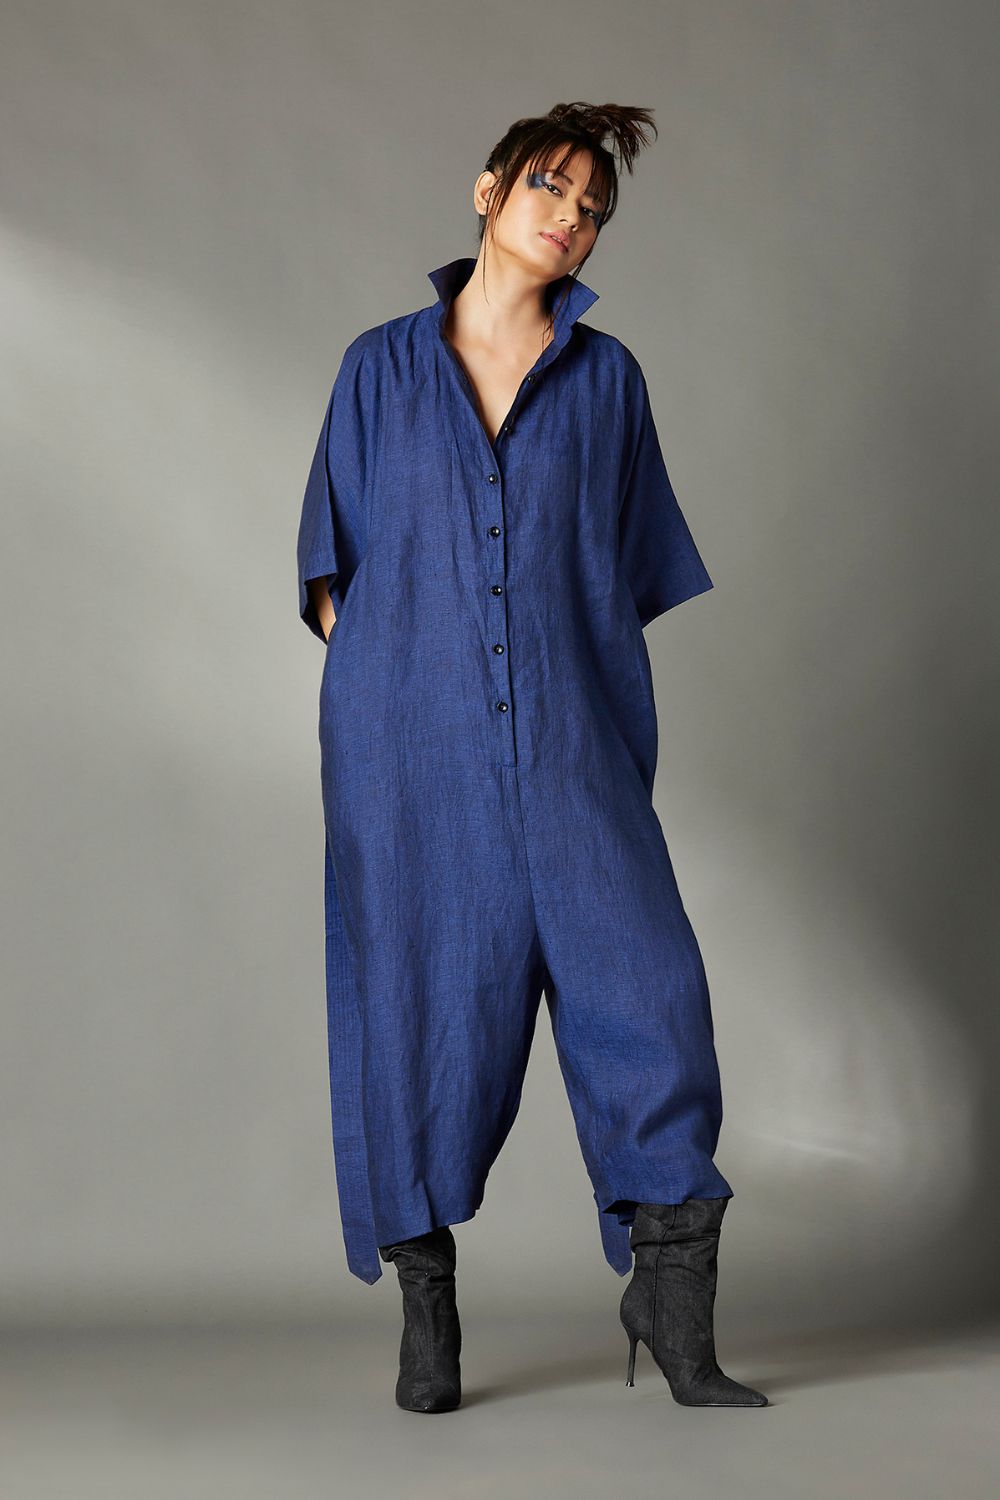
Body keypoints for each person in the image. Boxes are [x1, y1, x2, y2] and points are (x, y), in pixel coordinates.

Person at [296, 101, 768, 1414]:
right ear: (490, 190)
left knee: (651, 1001)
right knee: (422, 1018)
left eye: (593, 208)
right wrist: (406, 691)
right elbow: (333, 575)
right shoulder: (379, 371)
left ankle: (674, 1317)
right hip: (412, 761)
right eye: (552, 189)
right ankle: (428, 1319)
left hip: (573, 755)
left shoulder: (608, 383)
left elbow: (624, 573)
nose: (571, 218)